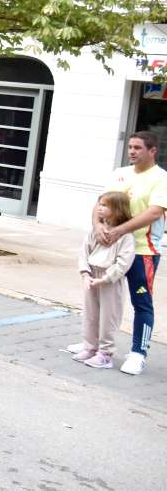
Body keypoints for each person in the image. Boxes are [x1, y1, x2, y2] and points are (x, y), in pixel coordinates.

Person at [95, 131, 167, 376]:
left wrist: (120, 230)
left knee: (141, 303)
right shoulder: (119, 173)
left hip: (141, 251)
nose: (132, 151)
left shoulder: (160, 178)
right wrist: (98, 226)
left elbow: (154, 213)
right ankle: (95, 346)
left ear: (152, 150)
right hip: (111, 248)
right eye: (130, 147)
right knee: (100, 297)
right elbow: (100, 203)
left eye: (137, 147)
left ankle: (138, 353)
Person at [72, 191, 136, 369]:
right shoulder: (97, 231)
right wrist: (85, 273)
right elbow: (84, 252)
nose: (99, 208)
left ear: (118, 210)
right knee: (91, 314)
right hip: (92, 275)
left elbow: (123, 262)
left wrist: (106, 278)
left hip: (110, 280)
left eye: (105, 205)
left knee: (109, 317)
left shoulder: (125, 236)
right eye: (99, 204)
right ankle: (90, 347)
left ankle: (105, 353)